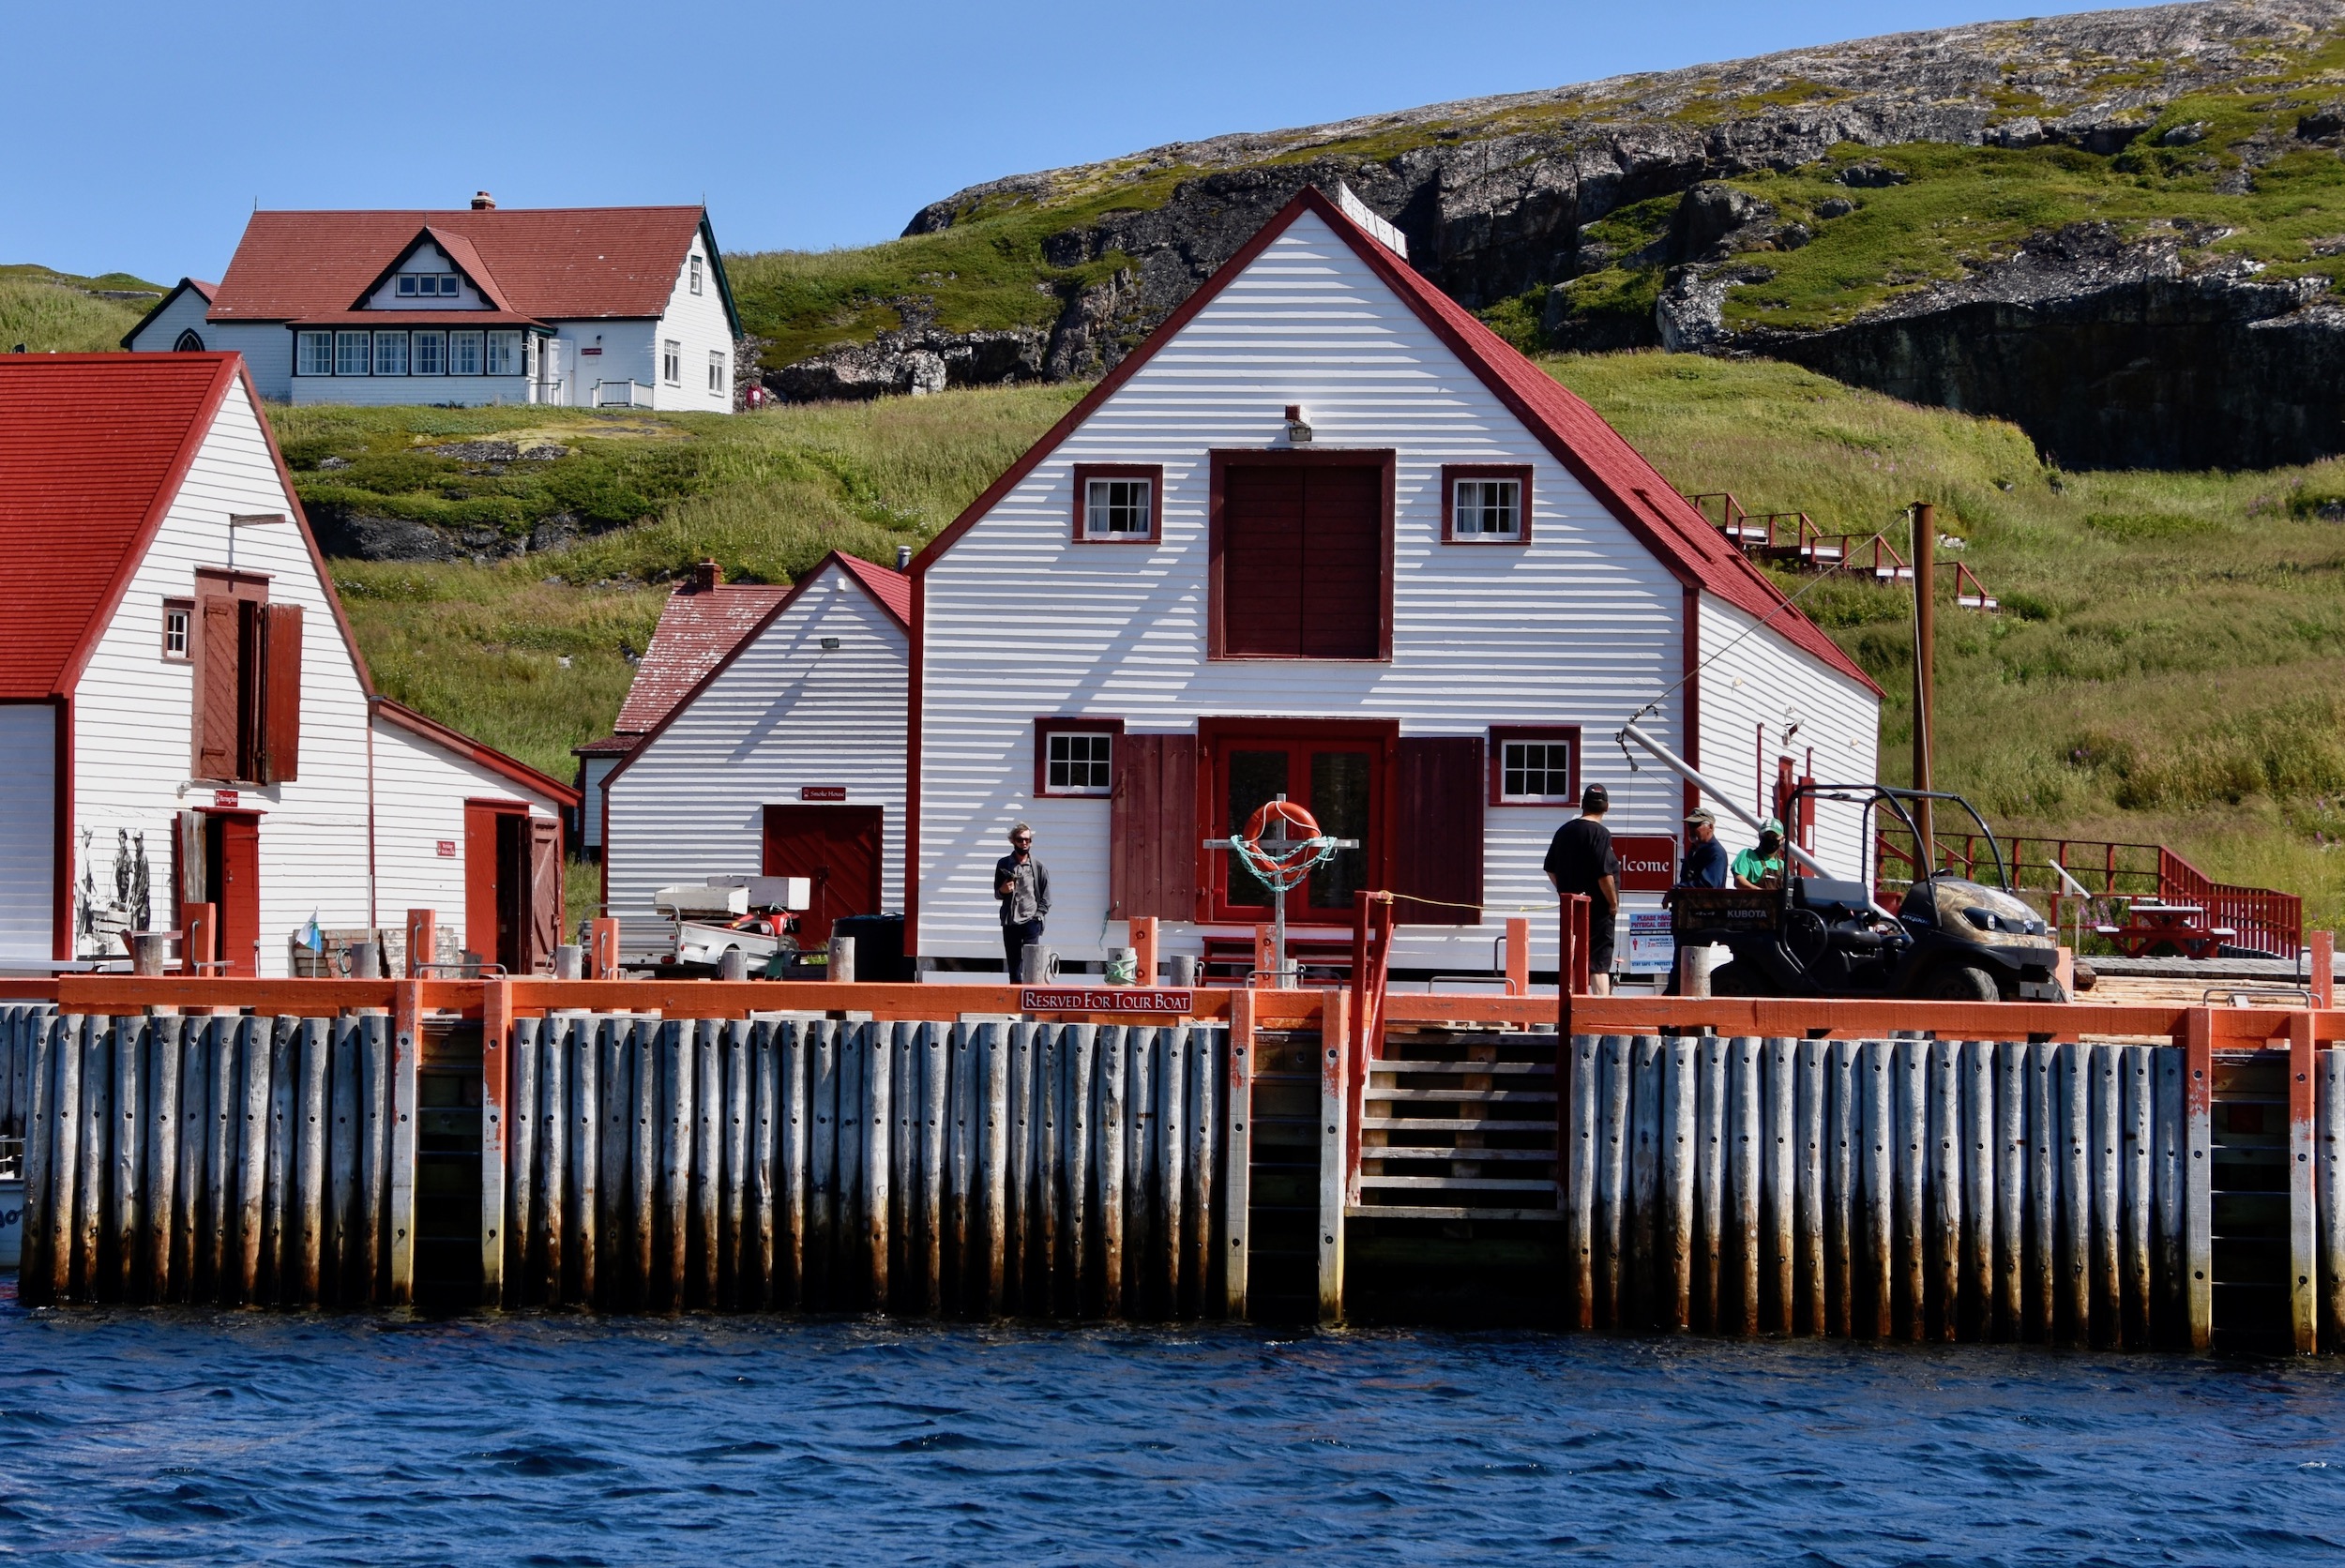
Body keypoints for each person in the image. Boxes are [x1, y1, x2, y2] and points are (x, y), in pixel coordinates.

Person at [1545, 783, 1620, 995]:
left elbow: (1550, 868)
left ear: (1582, 804)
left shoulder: (1565, 831)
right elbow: (1604, 874)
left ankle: (1572, 1007)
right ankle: (1600, 1012)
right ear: (1607, 806)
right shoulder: (1601, 834)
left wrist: (1566, 891)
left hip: (1572, 907)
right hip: (1598, 910)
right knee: (1599, 963)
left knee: (1574, 958)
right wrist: (1612, 904)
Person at [993, 822, 1051, 979]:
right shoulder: (1003, 864)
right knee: (1014, 967)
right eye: (1020, 840)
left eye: (1028, 840)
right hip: (1010, 921)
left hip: (1031, 921)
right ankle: (1014, 1001)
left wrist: (1037, 916)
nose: (1024, 843)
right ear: (1012, 841)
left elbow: (1047, 898)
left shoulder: (1038, 866)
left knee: (1033, 965)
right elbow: (997, 893)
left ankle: (1031, 999)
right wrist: (1003, 890)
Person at [1732, 819, 1790, 890]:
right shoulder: (1747, 855)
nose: (1770, 839)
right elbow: (1739, 880)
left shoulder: (1782, 866)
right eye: (1767, 836)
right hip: (1752, 900)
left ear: (1782, 840)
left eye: (1774, 837)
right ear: (1760, 836)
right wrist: (1760, 892)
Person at [1678, 807, 1728, 889]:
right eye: (1689, 825)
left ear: (1710, 827)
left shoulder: (1716, 852)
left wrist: (1678, 888)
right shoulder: (1693, 851)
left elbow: (1709, 885)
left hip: (1709, 901)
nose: (1691, 829)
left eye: (1696, 825)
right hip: (1689, 901)